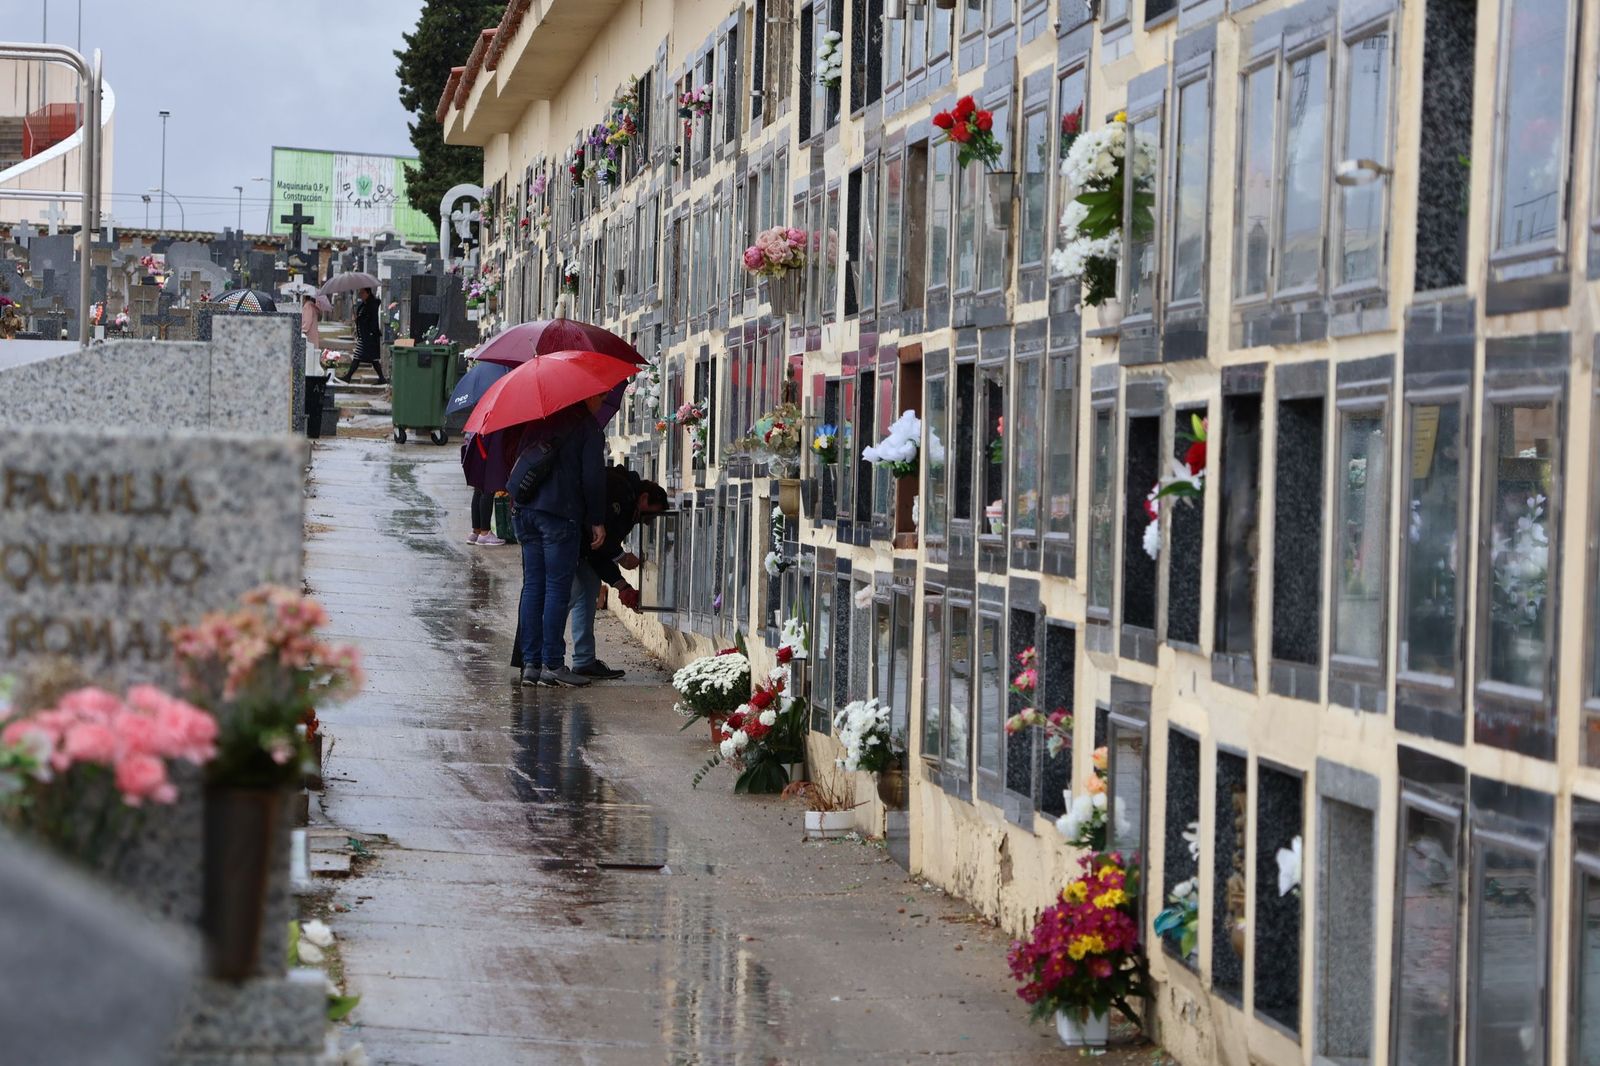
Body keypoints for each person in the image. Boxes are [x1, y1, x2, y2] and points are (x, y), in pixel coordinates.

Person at [513, 396, 607, 688]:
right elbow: (593, 478)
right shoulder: (588, 427)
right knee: (557, 588)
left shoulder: (539, 419)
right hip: (559, 515)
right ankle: (552, 663)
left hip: (525, 512)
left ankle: (531, 665)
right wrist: (596, 519)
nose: (603, 401)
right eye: (601, 396)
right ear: (587, 395)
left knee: (533, 586)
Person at [568, 468, 669, 679]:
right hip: (568, 540)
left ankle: (584, 662)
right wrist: (621, 556)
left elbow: (598, 553)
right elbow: (598, 538)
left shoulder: (630, 505)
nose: (647, 522)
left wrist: (621, 586)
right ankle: (545, 660)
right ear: (644, 498)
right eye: (650, 515)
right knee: (567, 596)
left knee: (588, 590)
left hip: (583, 550)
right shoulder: (619, 492)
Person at [344, 287, 386, 383]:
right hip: (364, 336)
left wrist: (359, 319)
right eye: (360, 293)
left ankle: (348, 377)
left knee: (360, 357)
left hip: (368, 336)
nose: (360, 295)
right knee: (370, 358)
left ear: (368, 293)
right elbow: (363, 318)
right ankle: (382, 378)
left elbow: (371, 320)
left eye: (362, 293)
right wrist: (357, 319)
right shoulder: (364, 304)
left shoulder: (372, 304)